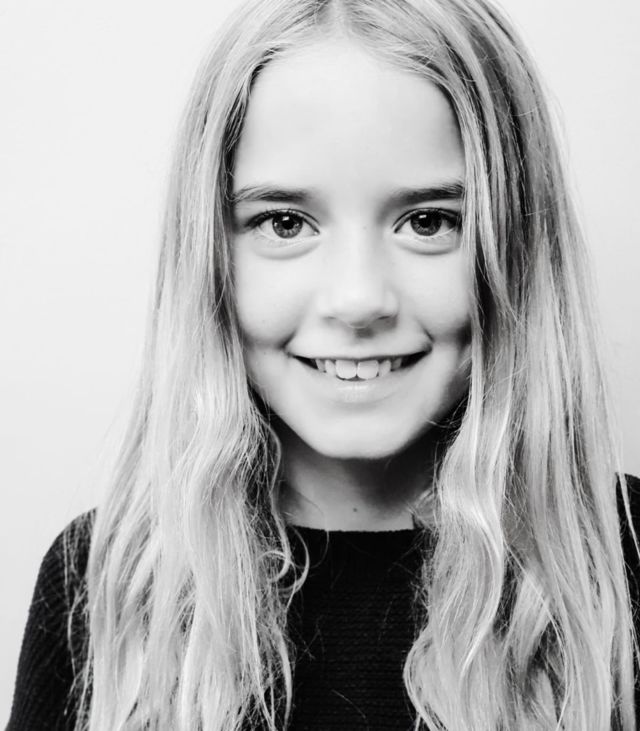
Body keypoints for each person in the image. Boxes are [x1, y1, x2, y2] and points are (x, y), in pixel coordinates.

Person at [7, 0, 640, 728]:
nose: (357, 298)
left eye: (429, 221)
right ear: (210, 256)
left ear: (518, 247)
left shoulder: (624, 566)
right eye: (284, 223)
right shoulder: (105, 583)